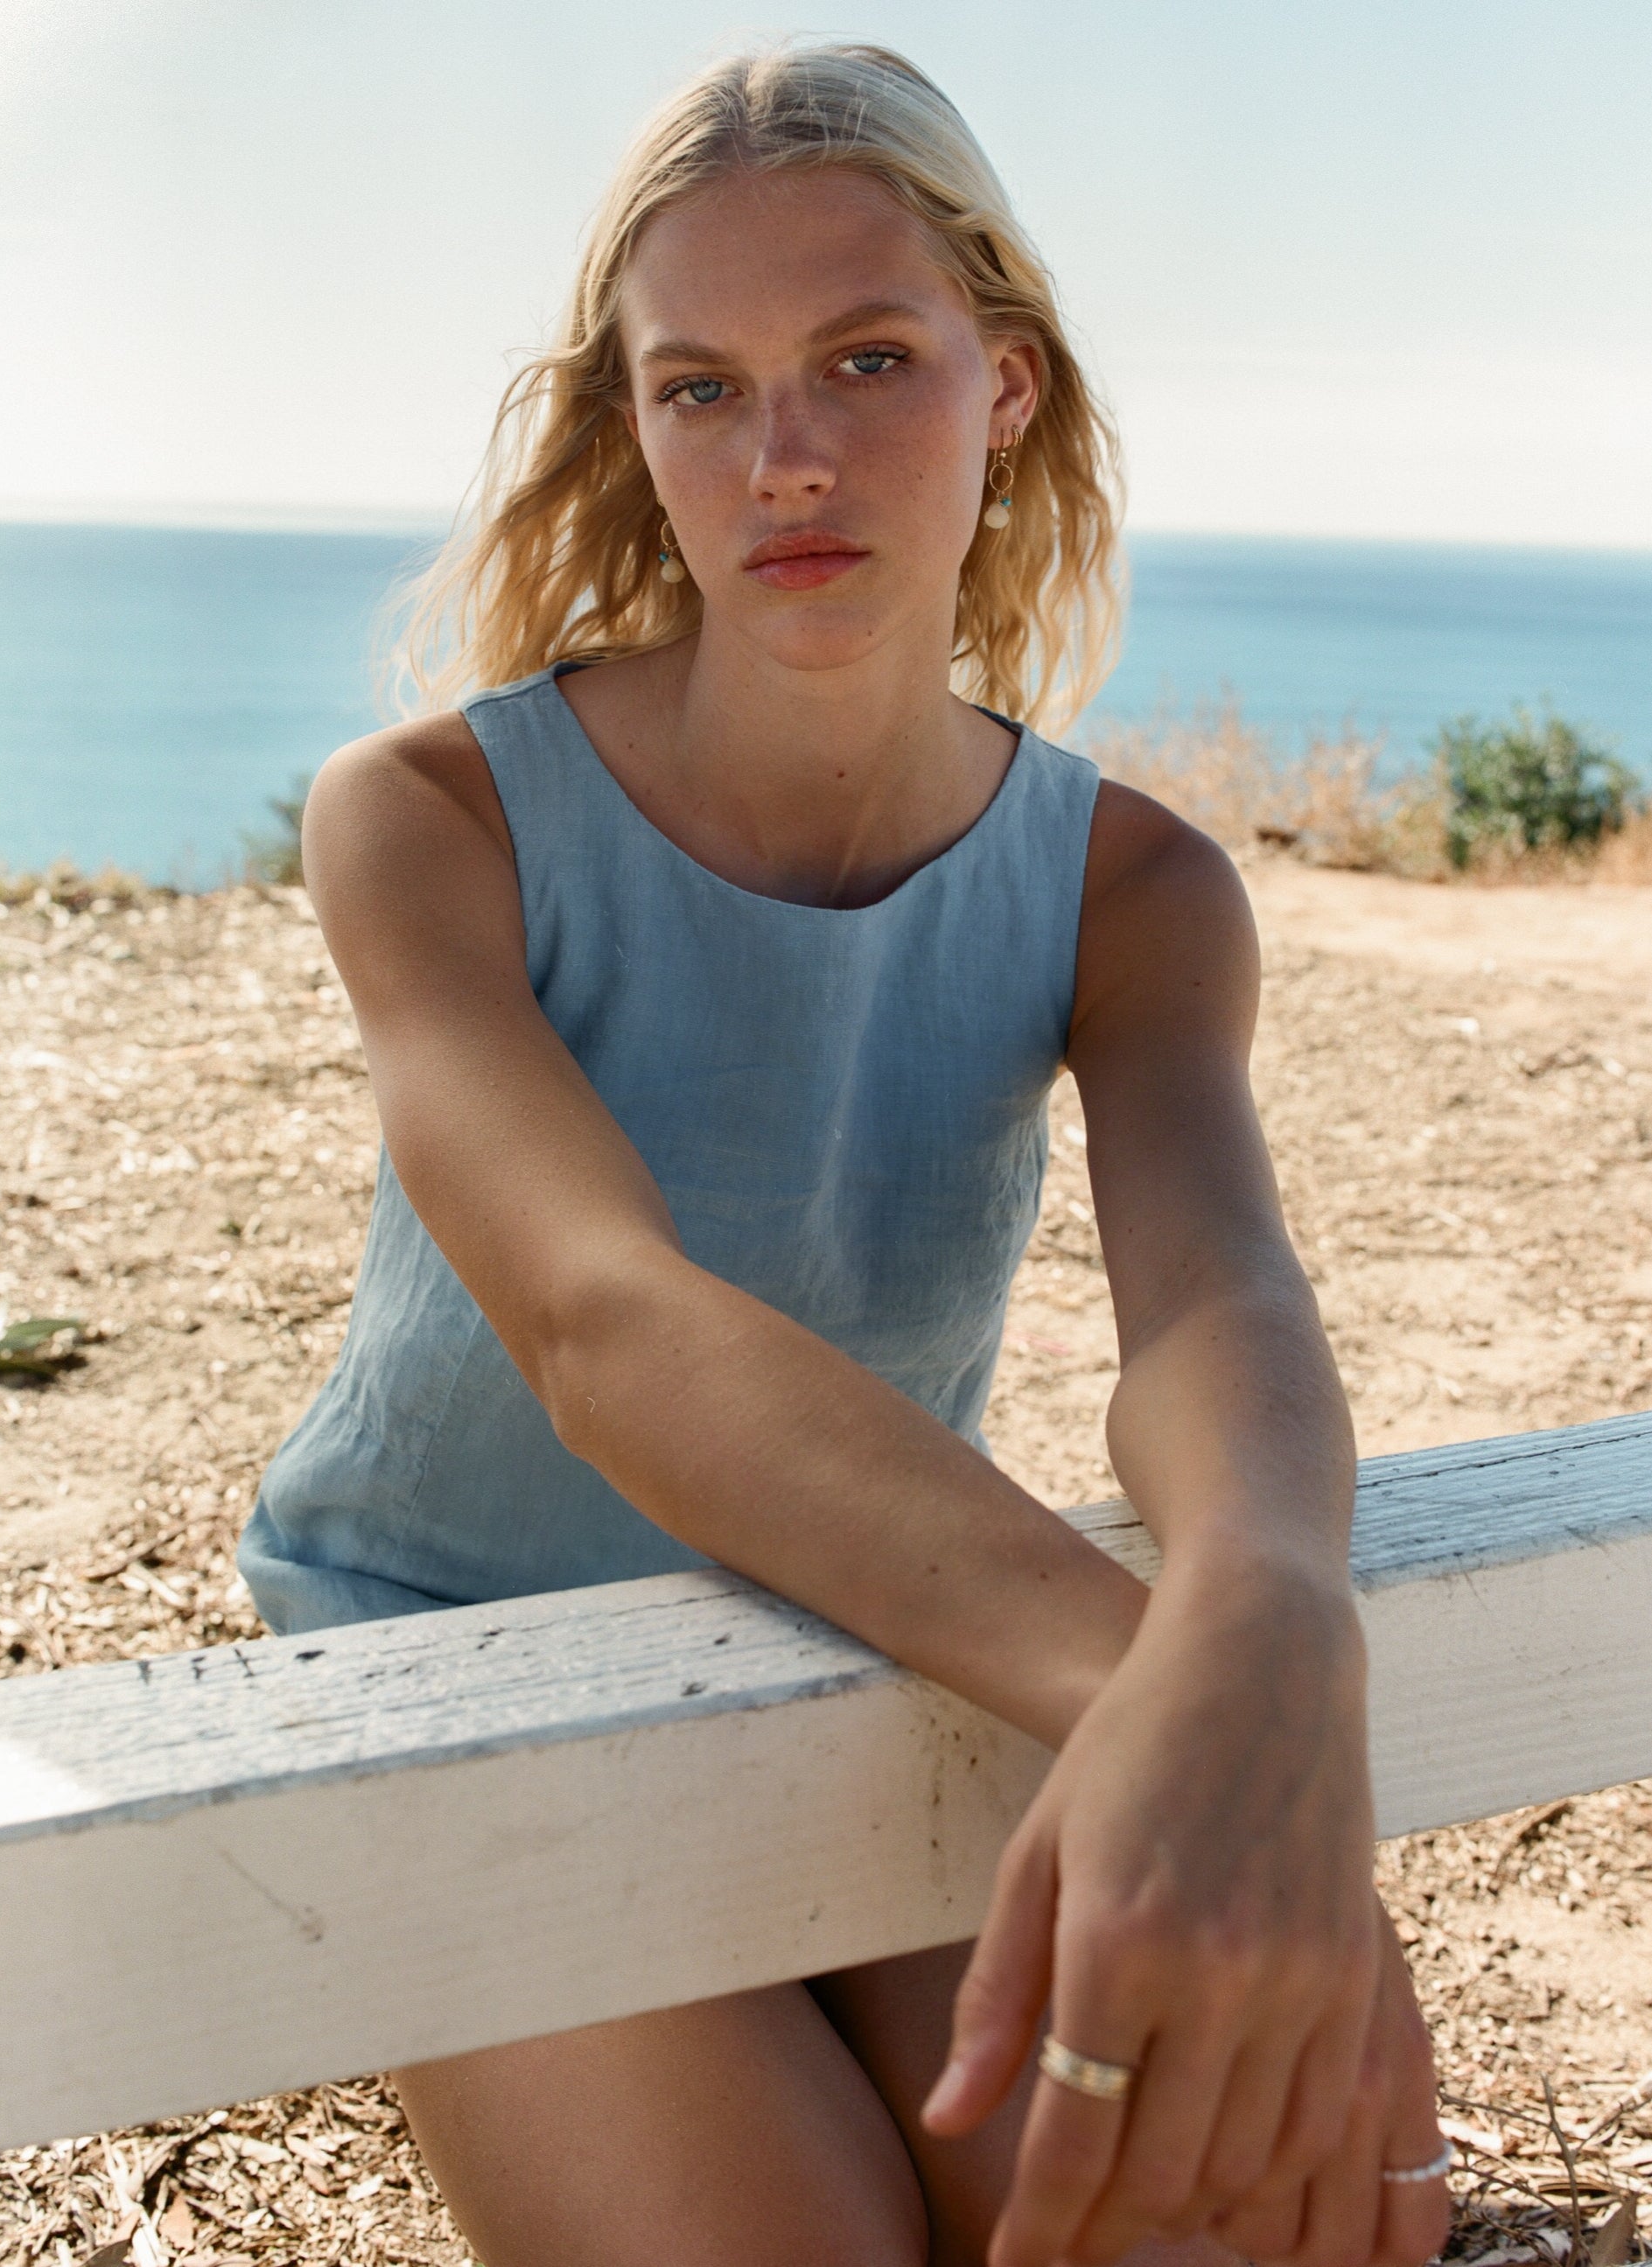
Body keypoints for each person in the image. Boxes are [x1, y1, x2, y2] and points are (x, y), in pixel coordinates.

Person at [237, 41, 1451, 2267]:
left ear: (1007, 386)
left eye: (867, 360)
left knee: (1188, 2242)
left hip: (856, 1616)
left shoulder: (1133, 888)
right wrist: (1173, 1706)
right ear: (635, 431)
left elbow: (1213, 1299)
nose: (783, 456)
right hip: (452, 1665)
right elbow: (603, 1323)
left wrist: (1272, 1622)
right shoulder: (426, 818)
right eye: (699, 387)